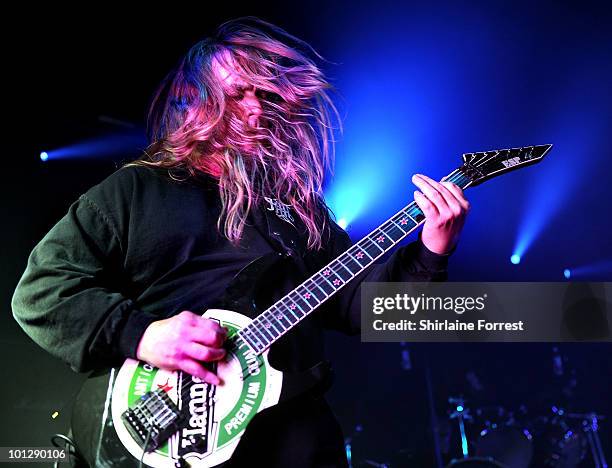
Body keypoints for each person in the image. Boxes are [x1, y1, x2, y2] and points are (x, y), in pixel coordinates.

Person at [11, 17, 469, 467]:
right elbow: (41, 291)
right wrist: (144, 335)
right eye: (235, 95)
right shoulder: (138, 192)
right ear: (195, 101)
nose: (254, 109)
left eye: (266, 94)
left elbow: (368, 311)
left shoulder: (301, 210)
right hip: (171, 431)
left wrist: (433, 248)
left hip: (296, 439)